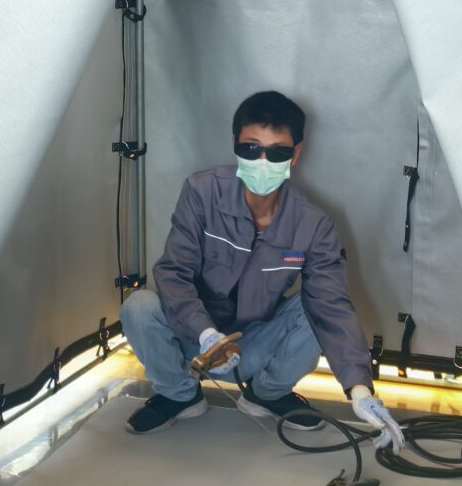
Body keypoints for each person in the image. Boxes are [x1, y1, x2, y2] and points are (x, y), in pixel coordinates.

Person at [121, 90, 405, 449]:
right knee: (139, 306)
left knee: (314, 307)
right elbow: (173, 273)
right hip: (193, 335)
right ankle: (180, 396)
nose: (263, 161)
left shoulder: (312, 224)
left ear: (295, 155)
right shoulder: (201, 192)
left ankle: (266, 394)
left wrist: (360, 390)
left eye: (278, 152)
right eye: (252, 148)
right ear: (236, 145)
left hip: (254, 344)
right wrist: (207, 335)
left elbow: (331, 306)